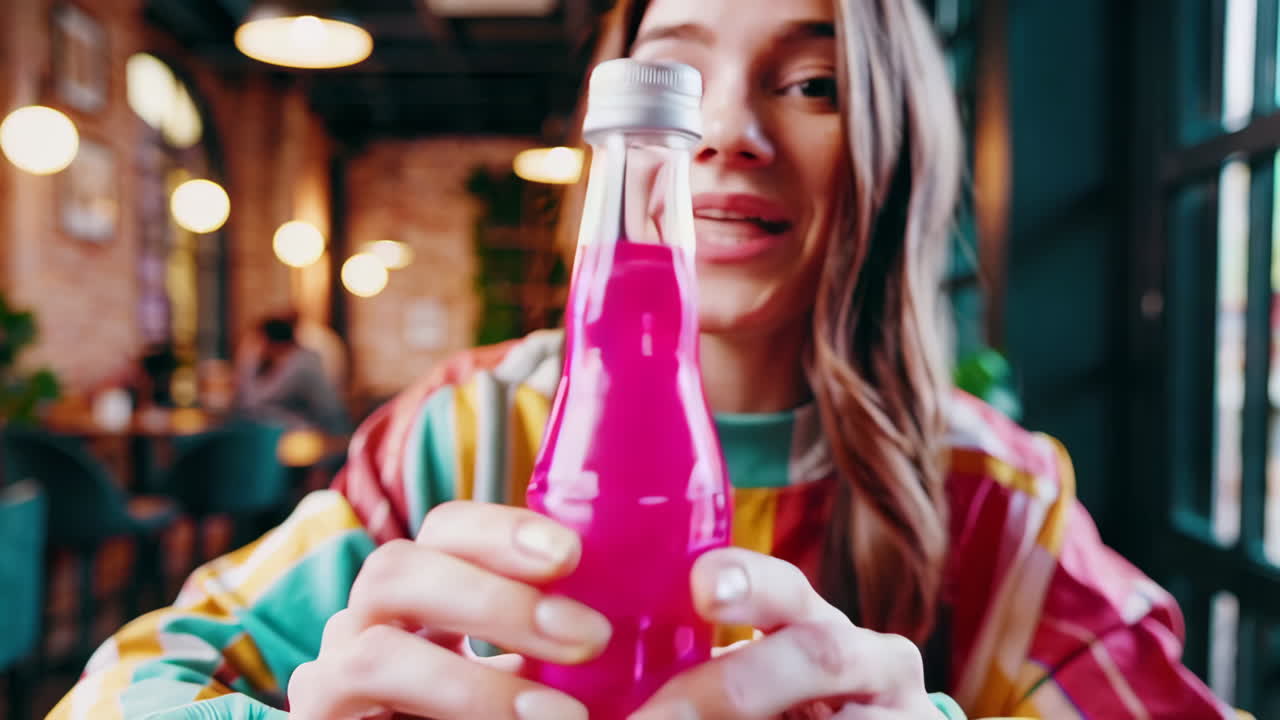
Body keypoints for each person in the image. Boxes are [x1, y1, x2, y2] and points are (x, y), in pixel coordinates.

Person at [50, 1, 1232, 718]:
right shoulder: (459, 437)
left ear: (896, 148)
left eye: (814, 81)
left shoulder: (992, 501)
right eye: (683, 74)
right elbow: (113, 688)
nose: (725, 131)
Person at [233, 313, 351, 435]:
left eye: (258, 342)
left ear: (269, 342)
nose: (255, 348)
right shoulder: (277, 362)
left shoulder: (302, 364)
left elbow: (255, 401)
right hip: (291, 432)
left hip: (313, 435)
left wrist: (249, 362)